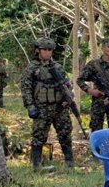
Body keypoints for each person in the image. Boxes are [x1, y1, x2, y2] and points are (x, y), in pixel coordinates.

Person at [20, 38, 74, 171]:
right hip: (41, 108)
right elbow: (26, 88)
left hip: (59, 107)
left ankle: (69, 163)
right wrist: (30, 106)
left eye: (50, 50)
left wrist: (69, 97)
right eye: (45, 49)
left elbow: (66, 85)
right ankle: (36, 165)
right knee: (39, 136)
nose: (47, 52)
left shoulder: (57, 67)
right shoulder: (32, 68)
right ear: (38, 50)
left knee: (65, 133)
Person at [76, 38, 109, 131]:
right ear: (103, 48)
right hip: (98, 101)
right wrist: (91, 91)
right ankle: (97, 146)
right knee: (96, 129)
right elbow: (80, 80)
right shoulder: (94, 64)